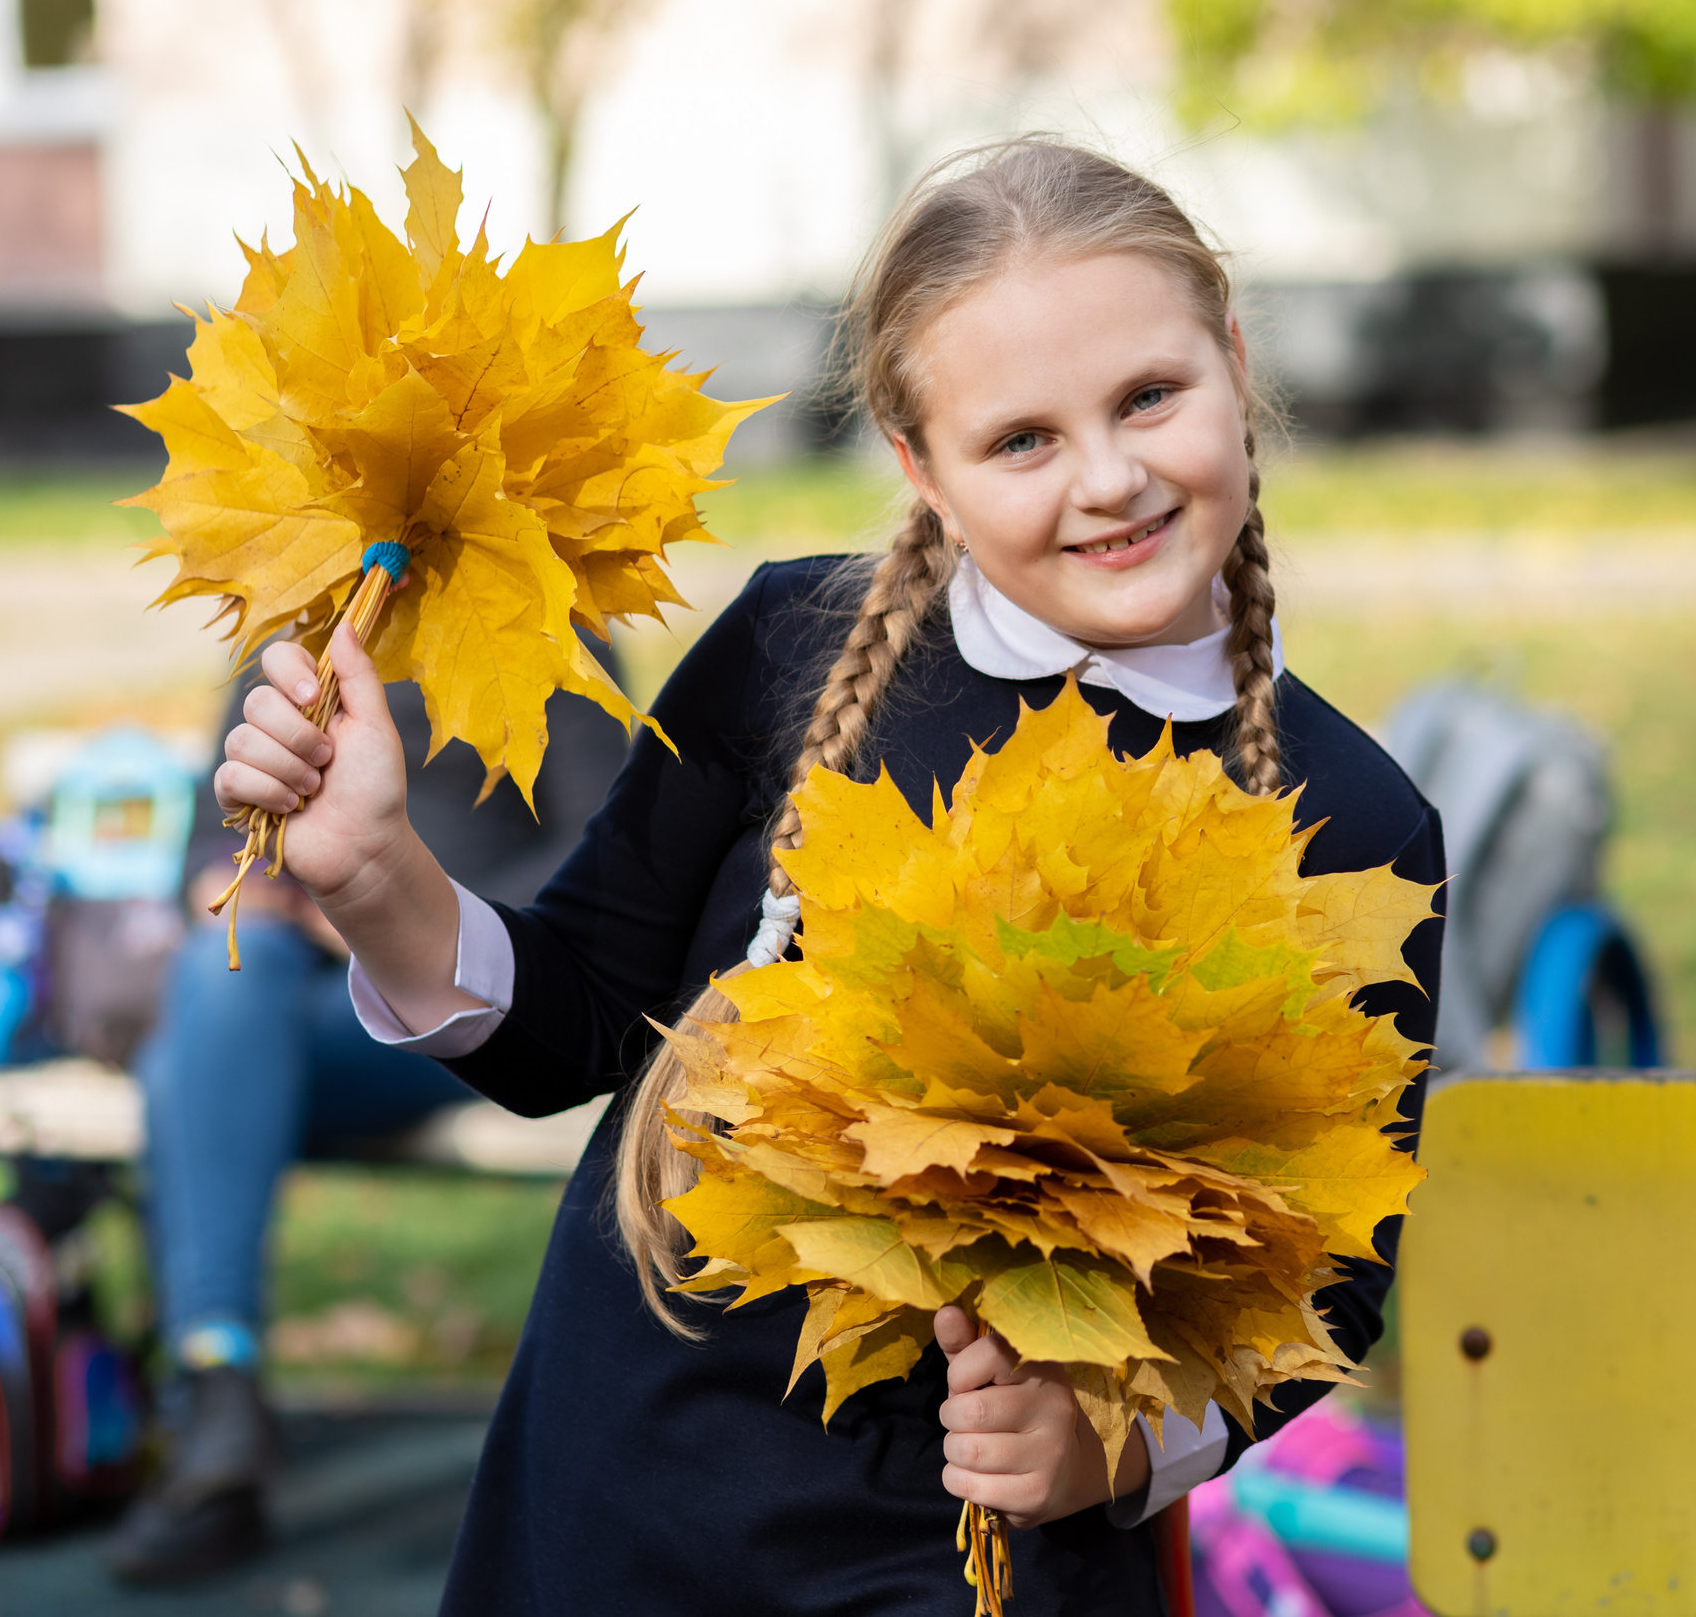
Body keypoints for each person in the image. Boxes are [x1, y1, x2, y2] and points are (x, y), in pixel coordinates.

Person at [210, 139, 1446, 1616]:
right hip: (621, 1487)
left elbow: (1332, 1281)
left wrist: (1107, 1446)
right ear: (919, 466)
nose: (1110, 479)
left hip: (971, 1555)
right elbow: (577, 1024)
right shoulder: (790, 650)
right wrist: (378, 874)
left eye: (1150, 398)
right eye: (1022, 440)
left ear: (1235, 362)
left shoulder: (1354, 817)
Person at [104, 660, 630, 1585]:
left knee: (189, 1058)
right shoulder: (310, 633)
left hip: (455, 1009)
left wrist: (374, 911)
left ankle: (213, 1406)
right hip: (284, 1003)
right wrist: (244, 892)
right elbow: (205, 842)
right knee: (222, 978)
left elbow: (595, 867)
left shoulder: (548, 645)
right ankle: (219, 1379)